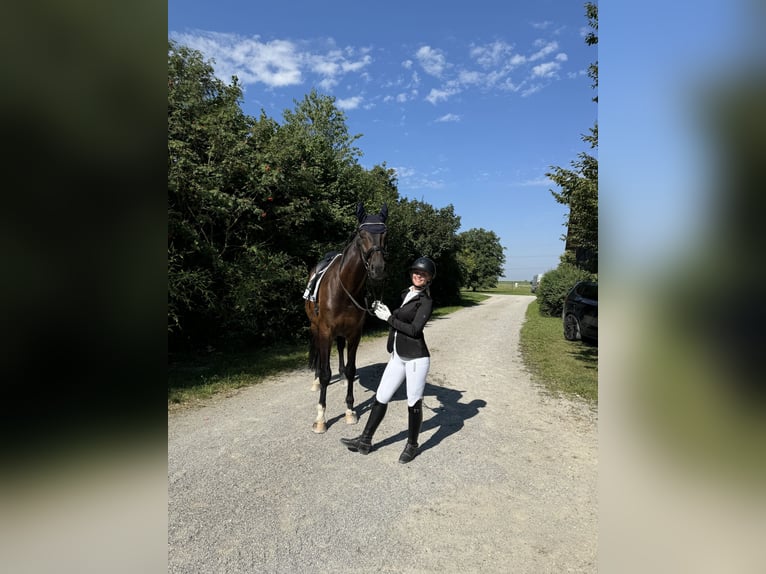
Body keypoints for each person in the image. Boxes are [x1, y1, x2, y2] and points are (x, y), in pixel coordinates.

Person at [340, 256, 436, 464]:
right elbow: (400, 320)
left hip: (416, 359)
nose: (418, 276)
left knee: (413, 401)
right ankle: (365, 440)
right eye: (416, 272)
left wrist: (389, 319)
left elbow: (414, 330)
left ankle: (412, 445)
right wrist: (382, 311)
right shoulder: (406, 294)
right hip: (397, 355)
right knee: (381, 396)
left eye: (423, 274)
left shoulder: (426, 302)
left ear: (429, 279)